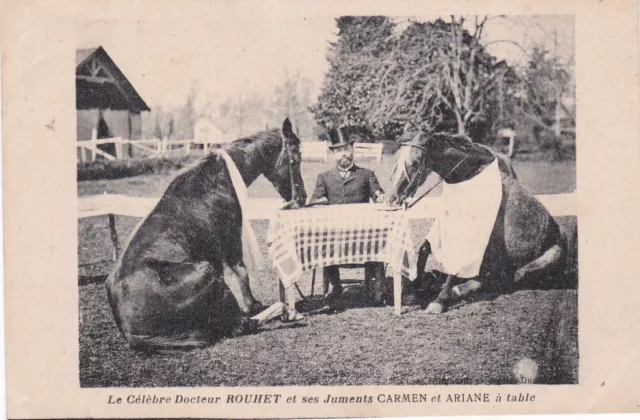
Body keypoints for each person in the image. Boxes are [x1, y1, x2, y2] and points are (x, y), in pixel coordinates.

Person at [309, 127, 386, 303]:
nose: (343, 155)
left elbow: (378, 195)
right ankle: (336, 286)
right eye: (338, 151)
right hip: (335, 234)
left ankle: (376, 287)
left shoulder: (366, 175)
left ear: (352, 150)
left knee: (377, 239)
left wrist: (380, 197)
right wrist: (320, 202)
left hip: (362, 234)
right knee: (324, 242)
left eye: (346, 150)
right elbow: (315, 200)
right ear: (333, 155)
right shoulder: (324, 177)